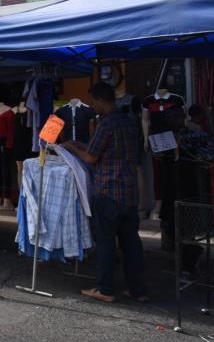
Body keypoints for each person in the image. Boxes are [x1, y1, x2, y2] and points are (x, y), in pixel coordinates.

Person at [63, 83, 148, 303]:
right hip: (129, 192)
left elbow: (91, 157)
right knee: (131, 243)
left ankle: (105, 289)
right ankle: (137, 290)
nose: (92, 106)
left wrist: (72, 148)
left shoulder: (106, 124)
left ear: (101, 100)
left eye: (93, 102)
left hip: (108, 190)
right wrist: (82, 146)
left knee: (106, 242)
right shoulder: (129, 122)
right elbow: (104, 151)